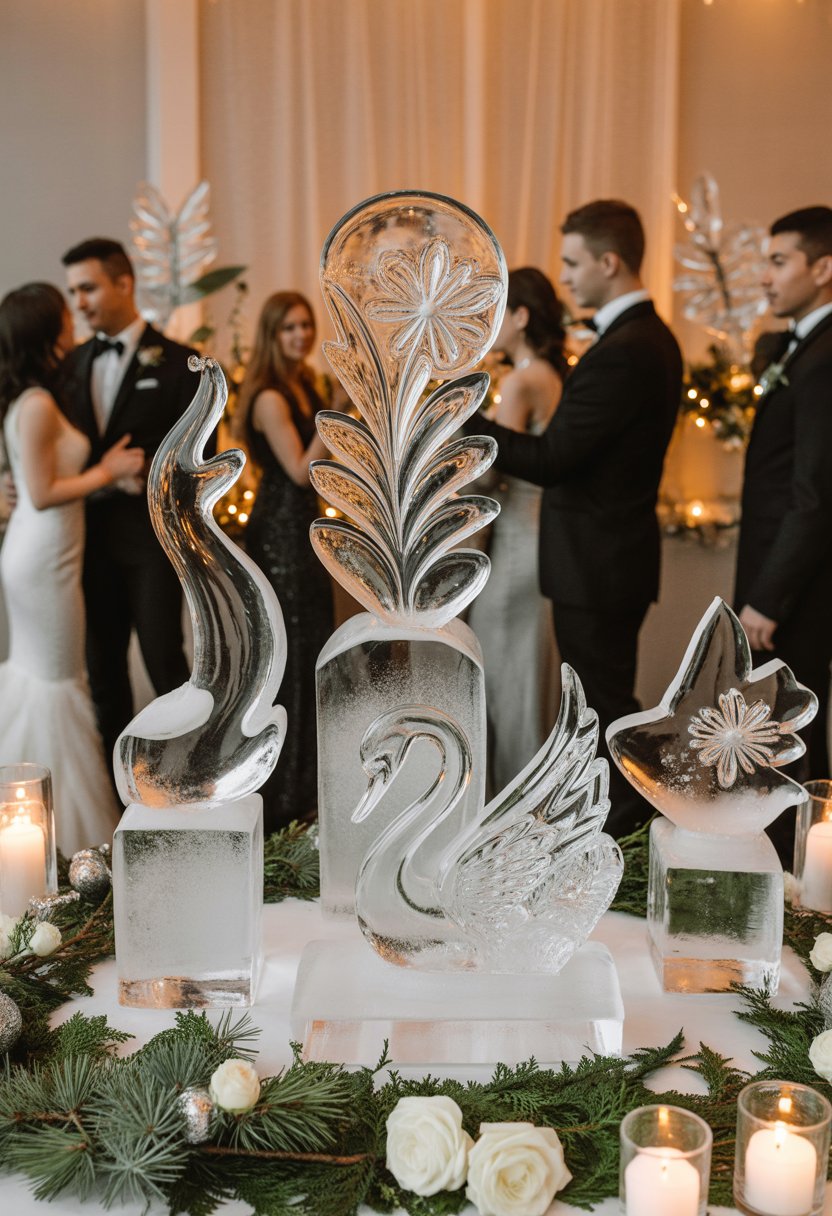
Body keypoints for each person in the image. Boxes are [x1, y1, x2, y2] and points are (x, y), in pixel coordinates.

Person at [469, 200, 682, 836]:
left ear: (609, 262)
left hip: (599, 561)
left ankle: (624, 838)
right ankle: (614, 833)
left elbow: (554, 458)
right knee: (597, 707)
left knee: (606, 712)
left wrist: (463, 417)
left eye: (573, 262)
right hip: (601, 558)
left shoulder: (628, 348)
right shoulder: (636, 340)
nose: (565, 278)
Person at [0, 283, 144, 852]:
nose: (73, 319)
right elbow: (41, 492)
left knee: (55, 678)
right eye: (64, 314)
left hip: (49, 556)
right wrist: (108, 470)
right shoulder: (34, 402)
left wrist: (110, 479)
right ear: (46, 331)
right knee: (58, 680)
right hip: (42, 562)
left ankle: (40, 825)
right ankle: (64, 837)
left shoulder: (36, 396)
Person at [60, 238, 198, 763]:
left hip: (150, 542)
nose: (80, 302)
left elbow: (197, 456)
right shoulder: (67, 366)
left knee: (166, 659)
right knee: (103, 670)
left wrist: (147, 481)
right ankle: (121, 788)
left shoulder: (180, 365)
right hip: (83, 544)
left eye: (89, 287)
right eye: (73, 291)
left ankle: (185, 775)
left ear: (124, 283)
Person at [234, 292, 344, 831]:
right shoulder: (270, 397)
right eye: (289, 329)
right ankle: (282, 799)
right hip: (279, 536)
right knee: (292, 659)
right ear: (271, 336)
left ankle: (307, 789)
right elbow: (301, 471)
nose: (301, 336)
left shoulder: (304, 383)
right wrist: (340, 406)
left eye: (306, 326)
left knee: (311, 653)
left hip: (302, 532)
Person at [736, 206, 832, 819]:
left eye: (779, 261)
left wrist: (769, 598)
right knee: (780, 729)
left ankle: (798, 881)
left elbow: (814, 492)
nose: (765, 278)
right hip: (783, 575)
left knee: (791, 733)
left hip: (796, 588)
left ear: (823, 268)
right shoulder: (803, 350)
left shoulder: (824, 359)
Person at [468, 268, 566, 792]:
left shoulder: (521, 381)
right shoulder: (550, 374)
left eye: (497, 311)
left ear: (521, 317)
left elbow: (488, 470)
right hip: (537, 539)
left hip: (511, 548)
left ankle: (513, 807)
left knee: (507, 685)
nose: (490, 323)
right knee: (525, 681)